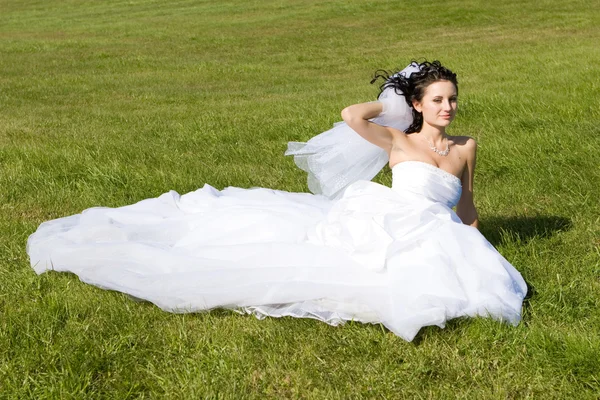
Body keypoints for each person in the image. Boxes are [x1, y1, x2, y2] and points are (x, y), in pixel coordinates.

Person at [27, 60, 527, 342]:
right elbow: (352, 115)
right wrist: (394, 101)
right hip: (389, 222)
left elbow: (466, 208)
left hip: (436, 230)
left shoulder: (466, 147)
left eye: (453, 99)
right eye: (437, 98)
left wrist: (479, 245)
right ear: (419, 104)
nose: (448, 107)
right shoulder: (399, 141)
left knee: (469, 288)